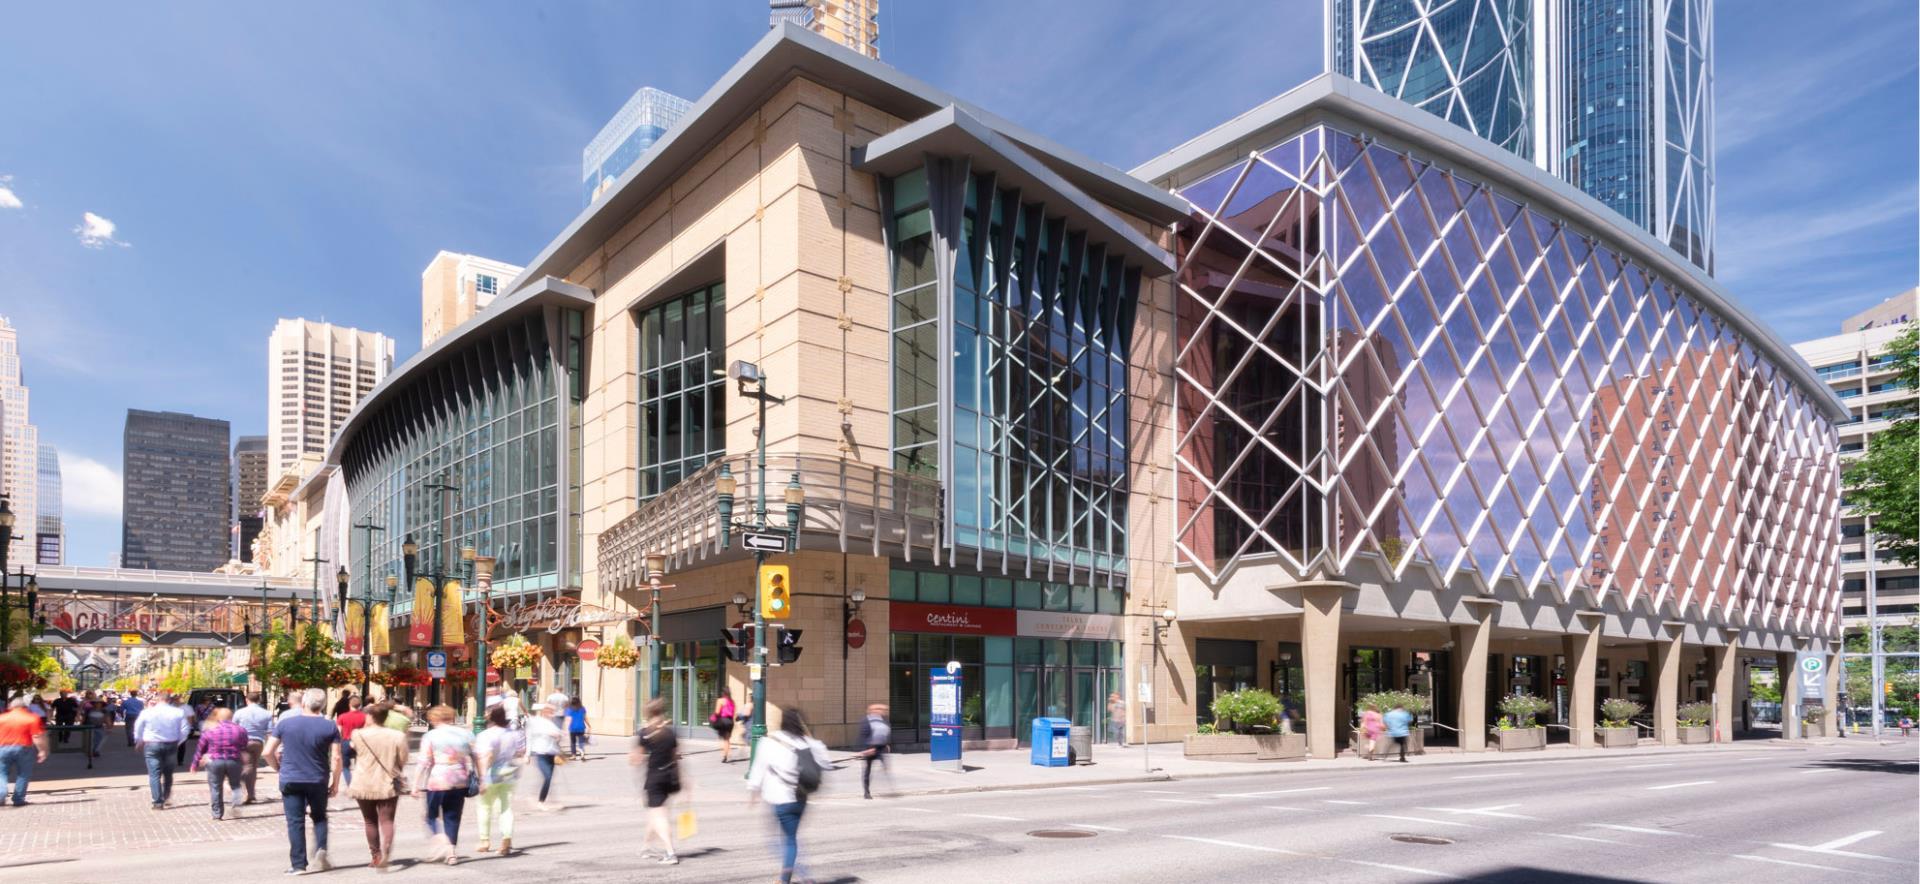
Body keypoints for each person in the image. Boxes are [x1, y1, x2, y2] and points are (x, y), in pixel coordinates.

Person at [746, 707, 832, 884]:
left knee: (776, 842)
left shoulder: (770, 742)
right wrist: (808, 735)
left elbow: (757, 770)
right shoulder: (809, 743)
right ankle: (787, 877)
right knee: (790, 839)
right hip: (800, 798)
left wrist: (753, 791)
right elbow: (825, 762)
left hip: (779, 799)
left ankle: (797, 877)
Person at [265, 688, 342, 874]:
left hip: (291, 777)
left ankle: (298, 864)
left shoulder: (286, 723)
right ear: (323, 705)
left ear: (304, 702)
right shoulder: (330, 726)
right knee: (319, 816)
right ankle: (321, 849)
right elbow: (337, 758)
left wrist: (278, 767)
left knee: (295, 821)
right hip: (317, 777)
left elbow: (267, 752)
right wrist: (336, 782)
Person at [347, 700, 410, 870]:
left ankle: (376, 855)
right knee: (387, 820)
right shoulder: (397, 736)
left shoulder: (358, 734)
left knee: (369, 821)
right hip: (387, 782)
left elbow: (352, 749)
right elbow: (403, 759)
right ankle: (387, 851)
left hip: (363, 782)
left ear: (370, 717)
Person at [415, 704, 475, 865]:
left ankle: (442, 841)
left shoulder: (431, 736)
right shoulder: (466, 734)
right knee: (452, 817)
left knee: (430, 816)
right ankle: (452, 853)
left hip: (438, 780)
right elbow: (476, 756)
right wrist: (480, 778)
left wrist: (415, 783)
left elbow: (424, 761)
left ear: (435, 719)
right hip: (460, 780)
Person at [630, 698, 681, 865]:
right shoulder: (670, 732)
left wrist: (637, 757)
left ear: (647, 713)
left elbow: (635, 759)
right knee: (656, 812)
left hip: (654, 778)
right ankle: (646, 846)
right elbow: (676, 757)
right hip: (669, 777)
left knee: (658, 815)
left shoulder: (645, 733)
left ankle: (670, 852)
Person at [473, 705, 527, 855]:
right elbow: (520, 752)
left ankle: (484, 840)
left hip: (491, 774)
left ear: (490, 717)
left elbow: (486, 756)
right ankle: (506, 839)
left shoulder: (485, 735)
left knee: (484, 807)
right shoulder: (514, 734)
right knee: (506, 807)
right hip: (509, 773)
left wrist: (482, 778)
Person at [132, 692, 189, 809]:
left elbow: (138, 727)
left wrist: (138, 740)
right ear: (170, 700)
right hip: (171, 744)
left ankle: (157, 801)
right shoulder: (178, 712)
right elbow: (185, 728)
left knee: (154, 774)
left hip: (152, 744)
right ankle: (166, 795)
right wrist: (179, 741)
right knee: (168, 773)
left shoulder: (147, 712)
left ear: (158, 700)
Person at [190, 707, 248, 820]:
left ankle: (217, 813)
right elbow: (244, 745)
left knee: (215, 787)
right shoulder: (240, 730)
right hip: (234, 760)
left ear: (219, 717)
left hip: (215, 761)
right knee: (236, 785)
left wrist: (195, 764)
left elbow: (200, 748)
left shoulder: (210, 730)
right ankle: (236, 805)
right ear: (232, 717)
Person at [0, 697, 50, 807]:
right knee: (23, 774)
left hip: (2, 748)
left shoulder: (2, 718)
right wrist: (42, 750)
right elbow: (37, 736)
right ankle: (18, 799)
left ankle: (1, 793)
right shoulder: (32, 718)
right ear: (25, 707)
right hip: (24, 748)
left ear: (11, 706)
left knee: (1, 773)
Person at [234, 692, 275, 805]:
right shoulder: (266, 713)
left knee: (247, 767)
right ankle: (251, 793)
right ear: (259, 700)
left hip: (243, 741)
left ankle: (244, 790)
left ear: (247, 700)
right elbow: (270, 731)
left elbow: (233, 727)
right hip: (258, 742)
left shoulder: (240, 712)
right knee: (253, 767)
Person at [523, 701, 564, 810]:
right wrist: (527, 754)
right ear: (544, 712)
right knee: (547, 776)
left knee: (549, 779)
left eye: (553, 712)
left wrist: (558, 737)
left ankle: (542, 799)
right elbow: (529, 737)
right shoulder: (536, 722)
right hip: (540, 753)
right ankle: (541, 802)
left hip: (552, 753)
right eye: (550, 711)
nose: (552, 714)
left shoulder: (553, 724)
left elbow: (559, 735)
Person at [857, 703, 891, 799]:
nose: (883, 711)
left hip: (880, 748)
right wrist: (864, 749)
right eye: (879, 709)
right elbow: (862, 736)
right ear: (872, 710)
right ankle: (866, 792)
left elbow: (885, 733)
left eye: (883, 710)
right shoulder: (866, 720)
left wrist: (887, 744)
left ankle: (883, 786)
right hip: (870, 748)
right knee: (867, 771)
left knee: (885, 767)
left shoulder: (883, 720)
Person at [335, 696, 368, 786]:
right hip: (360, 742)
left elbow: (338, 732)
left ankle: (350, 784)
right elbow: (366, 730)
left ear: (349, 705)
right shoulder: (365, 717)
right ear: (360, 705)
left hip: (346, 741)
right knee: (360, 765)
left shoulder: (342, 717)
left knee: (345, 767)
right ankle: (359, 783)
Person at [710, 692, 738, 763]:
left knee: (723, 739)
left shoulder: (720, 700)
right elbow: (733, 713)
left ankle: (725, 755)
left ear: (723, 693)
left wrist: (713, 718)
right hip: (730, 722)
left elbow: (717, 712)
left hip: (723, 721)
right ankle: (727, 754)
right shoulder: (732, 701)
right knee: (727, 739)